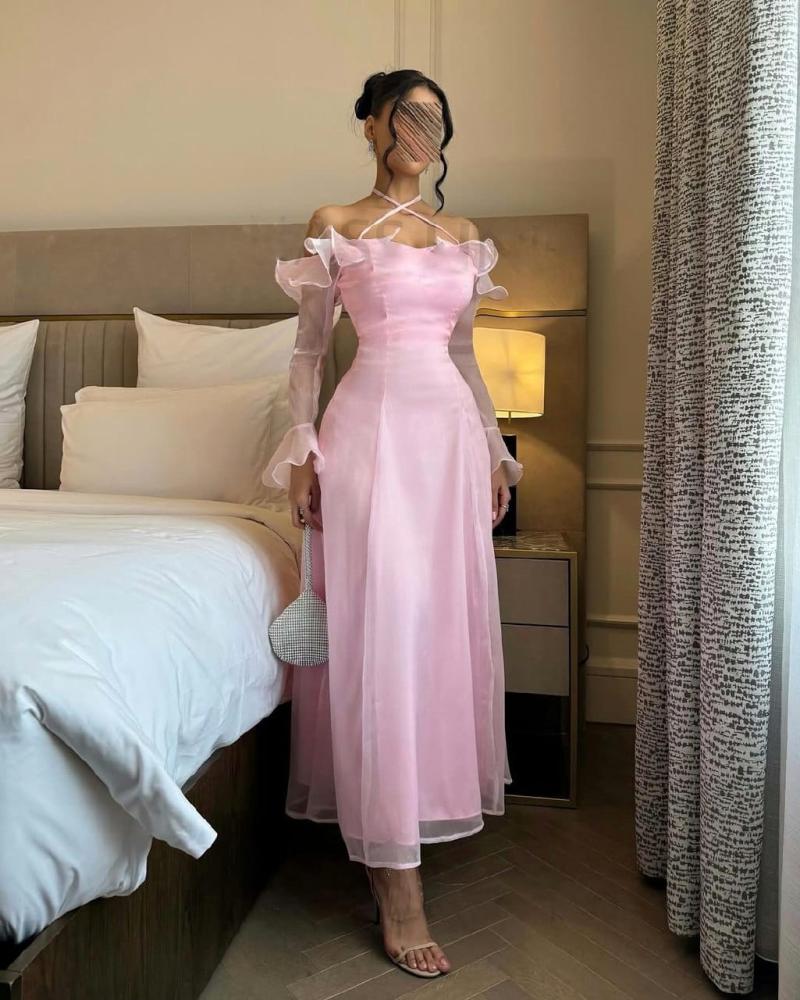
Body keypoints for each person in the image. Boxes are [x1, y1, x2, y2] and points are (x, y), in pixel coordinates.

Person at [263, 68, 524, 979]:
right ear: (370, 126)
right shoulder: (336, 222)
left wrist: (493, 452)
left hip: (444, 441)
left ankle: (413, 811)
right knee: (380, 628)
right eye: (404, 114)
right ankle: (393, 879)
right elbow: (308, 353)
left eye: (434, 119)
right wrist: (304, 452)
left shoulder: (463, 236)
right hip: (367, 435)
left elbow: (466, 355)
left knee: (433, 631)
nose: (420, 130)